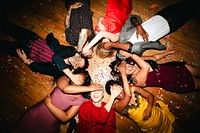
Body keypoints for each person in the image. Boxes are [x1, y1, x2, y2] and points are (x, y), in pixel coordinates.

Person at [11, 70, 99, 133]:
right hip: (34, 116)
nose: (77, 80)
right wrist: (89, 88)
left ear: (83, 85)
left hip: (48, 127)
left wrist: (49, 105)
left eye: (81, 81)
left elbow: (65, 118)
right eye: (78, 77)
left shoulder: (80, 99)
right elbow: (65, 89)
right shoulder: (64, 79)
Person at [0, 22, 88, 84]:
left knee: (3, 46)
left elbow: (44, 70)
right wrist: (71, 76)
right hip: (31, 38)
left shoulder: (60, 71)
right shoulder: (71, 51)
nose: (77, 60)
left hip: (26, 52)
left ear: (75, 67)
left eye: (78, 64)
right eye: (80, 59)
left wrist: (26, 62)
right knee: (7, 27)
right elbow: (56, 57)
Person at [105, 62, 183, 132]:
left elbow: (150, 95)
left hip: (162, 116)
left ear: (122, 87)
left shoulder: (133, 89)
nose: (118, 93)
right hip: (154, 130)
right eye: (114, 92)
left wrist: (149, 107)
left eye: (118, 89)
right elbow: (128, 96)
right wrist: (123, 73)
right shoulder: (117, 106)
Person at [117, 0, 200, 57]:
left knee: (187, 3)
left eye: (121, 50)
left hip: (163, 14)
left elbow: (133, 17)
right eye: (125, 53)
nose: (124, 50)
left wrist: (139, 26)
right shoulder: (138, 49)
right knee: (192, 10)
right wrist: (148, 44)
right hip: (173, 25)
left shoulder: (124, 35)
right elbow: (161, 47)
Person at [110, 50, 200, 93]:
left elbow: (154, 58)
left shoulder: (137, 62)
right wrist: (130, 55)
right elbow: (146, 66)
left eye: (127, 64)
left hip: (176, 68)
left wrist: (167, 53)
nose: (129, 67)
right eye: (125, 70)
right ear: (125, 75)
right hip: (177, 83)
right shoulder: (135, 80)